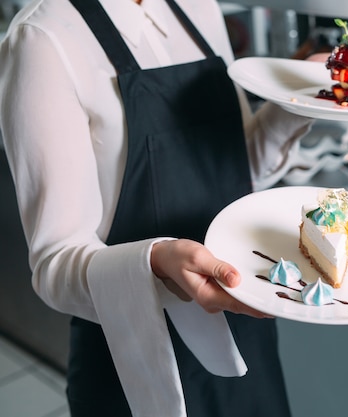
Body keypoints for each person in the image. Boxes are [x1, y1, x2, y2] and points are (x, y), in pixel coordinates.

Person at [0, 0, 314, 416]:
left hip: (245, 331)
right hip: (136, 358)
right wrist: (155, 262)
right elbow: (54, 264)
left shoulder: (198, 7)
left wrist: (302, 97)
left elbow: (237, 167)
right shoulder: (43, 38)